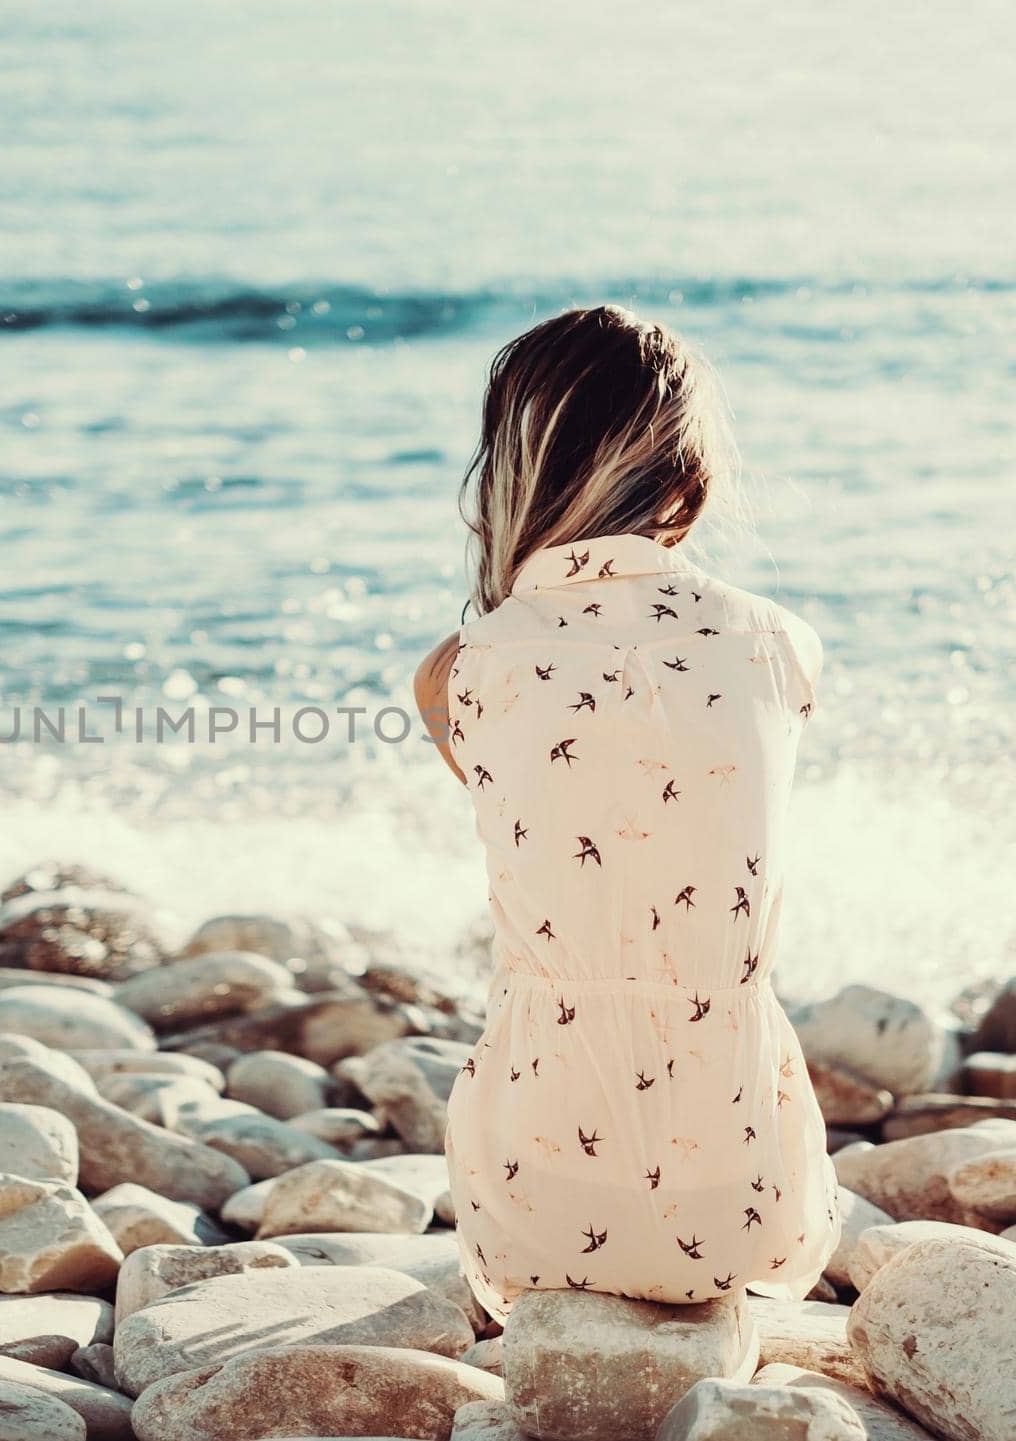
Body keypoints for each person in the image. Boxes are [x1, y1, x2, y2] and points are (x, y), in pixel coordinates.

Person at [413, 306, 841, 1320]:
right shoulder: (783, 646)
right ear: (689, 490)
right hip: (747, 1195)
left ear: (509, 476)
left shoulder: (460, 672)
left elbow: (563, 832)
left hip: (536, 1199)